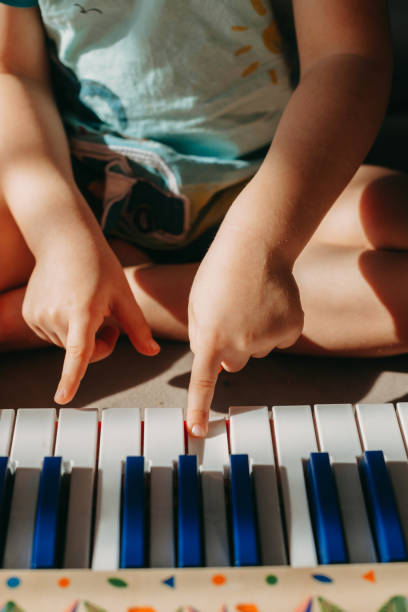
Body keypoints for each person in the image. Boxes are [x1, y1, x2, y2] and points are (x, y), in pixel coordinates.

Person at [0, 1, 401, 438]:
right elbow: (11, 72)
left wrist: (259, 246)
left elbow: (348, 56)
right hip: (79, 190)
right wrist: (58, 239)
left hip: (273, 188)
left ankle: (125, 297)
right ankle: (94, 287)